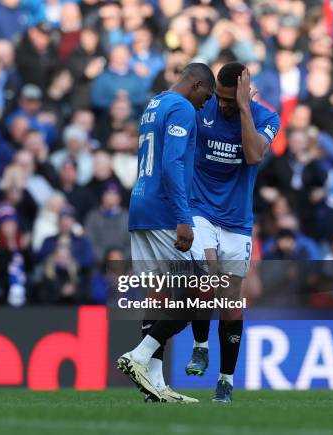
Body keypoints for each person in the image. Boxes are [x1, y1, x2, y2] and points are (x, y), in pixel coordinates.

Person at [116, 63, 215, 403]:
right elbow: (172, 161)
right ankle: (139, 356)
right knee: (202, 292)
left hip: (140, 206)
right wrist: (183, 217)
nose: (206, 104)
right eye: (207, 96)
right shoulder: (183, 107)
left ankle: (155, 386)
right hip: (164, 212)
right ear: (198, 85)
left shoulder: (154, 104)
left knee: (158, 298)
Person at [184, 63, 280, 403]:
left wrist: (242, 109)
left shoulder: (266, 118)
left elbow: (253, 156)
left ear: (243, 92)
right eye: (221, 99)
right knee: (204, 281)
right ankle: (199, 346)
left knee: (230, 305)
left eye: (230, 99)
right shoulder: (201, 109)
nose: (223, 105)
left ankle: (225, 380)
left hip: (237, 221)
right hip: (200, 211)